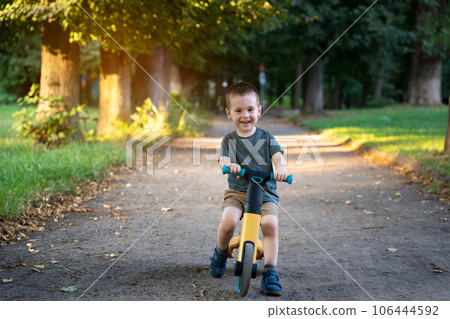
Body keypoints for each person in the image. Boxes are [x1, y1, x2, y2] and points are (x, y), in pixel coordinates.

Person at [209, 81, 287, 296]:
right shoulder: (230, 140)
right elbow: (223, 159)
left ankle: (270, 271)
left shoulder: (266, 138)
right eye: (238, 110)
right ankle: (221, 253)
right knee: (229, 221)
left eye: (250, 109)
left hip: (265, 194)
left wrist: (281, 169)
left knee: (270, 224)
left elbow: (278, 157)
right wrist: (228, 165)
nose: (245, 115)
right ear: (228, 113)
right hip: (237, 192)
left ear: (259, 111)